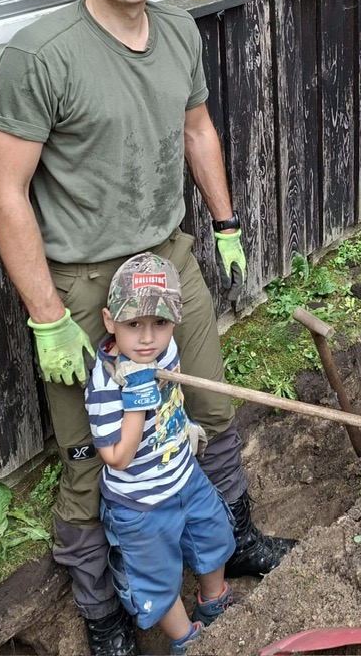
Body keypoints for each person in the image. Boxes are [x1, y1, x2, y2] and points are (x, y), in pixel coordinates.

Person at [0, 0, 294, 656]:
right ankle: (102, 613)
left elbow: (197, 130)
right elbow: (2, 193)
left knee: (212, 406)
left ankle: (235, 542)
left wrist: (224, 222)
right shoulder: (41, 55)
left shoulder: (179, 29)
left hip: (168, 256)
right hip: (85, 283)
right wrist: (49, 314)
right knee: (91, 457)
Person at [86, 253, 235, 654]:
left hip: (183, 476)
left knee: (215, 536)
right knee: (155, 579)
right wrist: (136, 402)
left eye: (160, 324)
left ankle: (214, 603)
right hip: (140, 505)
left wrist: (182, 425)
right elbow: (116, 458)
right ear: (109, 321)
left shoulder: (163, 353)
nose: (148, 338)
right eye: (134, 324)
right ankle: (187, 640)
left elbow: (174, 399)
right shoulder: (106, 384)